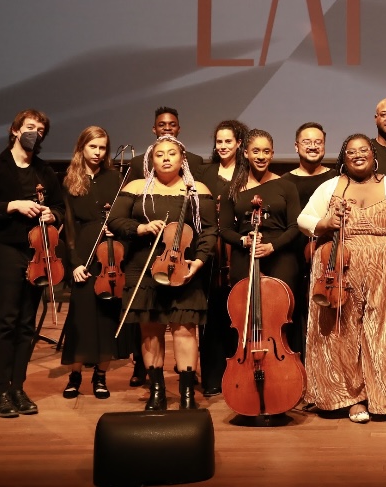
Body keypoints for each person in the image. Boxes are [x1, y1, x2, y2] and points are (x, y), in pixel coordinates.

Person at [298, 134, 386, 423]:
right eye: (351, 151)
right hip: (340, 265)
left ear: (373, 154)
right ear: (343, 158)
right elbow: (304, 219)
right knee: (342, 332)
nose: (358, 155)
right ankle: (352, 399)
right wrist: (325, 223)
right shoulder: (330, 186)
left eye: (364, 150)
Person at [0, 109, 65, 418]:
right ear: (14, 131)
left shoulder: (44, 171)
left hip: (38, 253)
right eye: (29, 127)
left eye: (39, 130)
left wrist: (53, 214)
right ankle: (1, 390)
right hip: (7, 250)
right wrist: (12, 205)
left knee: (27, 324)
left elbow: (60, 206)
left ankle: (19, 387)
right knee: (8, 320)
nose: (33, 133)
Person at [110, 135, 216, 410]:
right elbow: (115, 220)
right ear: (151, 160)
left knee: (185, 329)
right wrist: (141, 228)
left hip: (183, 267)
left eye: (172, 153)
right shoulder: (135, 187)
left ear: (183, 159)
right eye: (160, 154)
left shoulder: (197, 189)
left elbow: (209, 231)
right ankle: (157, 390)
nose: (166, 158)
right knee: (150, 328)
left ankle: (187, 394)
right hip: (143, 266)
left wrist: (200, 261)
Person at [59, 126, 138, 399]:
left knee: (106, 316)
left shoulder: (115, 179)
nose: (98, 152)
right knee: (80, 317)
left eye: (103, 147)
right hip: (82, 253)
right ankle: (75, 376)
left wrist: (115, 228)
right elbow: (68, 228)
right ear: (82, 147)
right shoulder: (70, 180)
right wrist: (75, 264)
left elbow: (124, 215)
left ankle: (101, 377)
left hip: (109, 255)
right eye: (93, 147)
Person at [218, 129, 304, 352]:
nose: (261, 156)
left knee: (282, 319)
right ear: (245, 152)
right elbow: (225, 229)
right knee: (245, 318)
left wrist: (273, 246)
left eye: (266, 151)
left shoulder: (286, 186)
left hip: (281, 256)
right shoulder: (232, 189)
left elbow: (295, 226)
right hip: (245, 256)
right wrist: (244, 241)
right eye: (255, 151)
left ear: (272, 154)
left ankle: (285, 371)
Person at [197, 119, 248, 396]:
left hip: (235, 249)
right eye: (219, 142)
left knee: (235, 312)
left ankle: (237, 374)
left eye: (229, 141)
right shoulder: (205, 172)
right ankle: (212, 379)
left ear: (239, 143)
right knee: (210, 315)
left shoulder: (247, 172)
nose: (224, 146)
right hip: (210, 249)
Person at [281, 122, 336, 354]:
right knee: (294, 310)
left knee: (328, 310)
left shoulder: (336, 178)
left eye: (318, 142)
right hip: (293, 253)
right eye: (307, 142)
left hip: (329, 255)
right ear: (296, 146)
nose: (313, 147)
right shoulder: (284, 181)